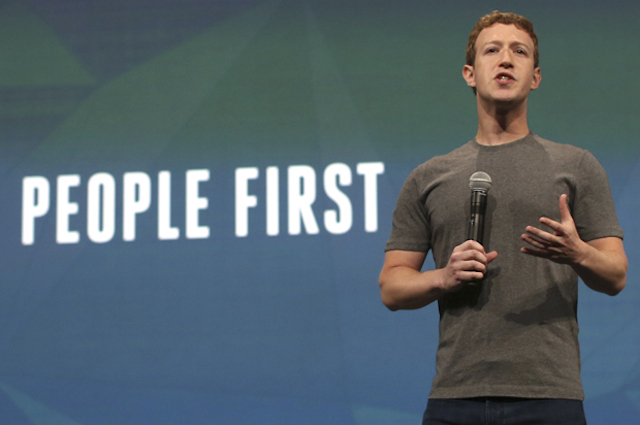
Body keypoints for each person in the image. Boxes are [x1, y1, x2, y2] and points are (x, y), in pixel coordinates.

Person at [379, 10, 628, 425]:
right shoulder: (429, 177)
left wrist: (578, 253)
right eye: (491, 50)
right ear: (469, 73)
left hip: (550, 394)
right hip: (456, 394)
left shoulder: (577, 165)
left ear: (536, 77)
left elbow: (616, 275)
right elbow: (392, 285)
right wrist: (443, 276)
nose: (506, 59)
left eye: (520, 51)